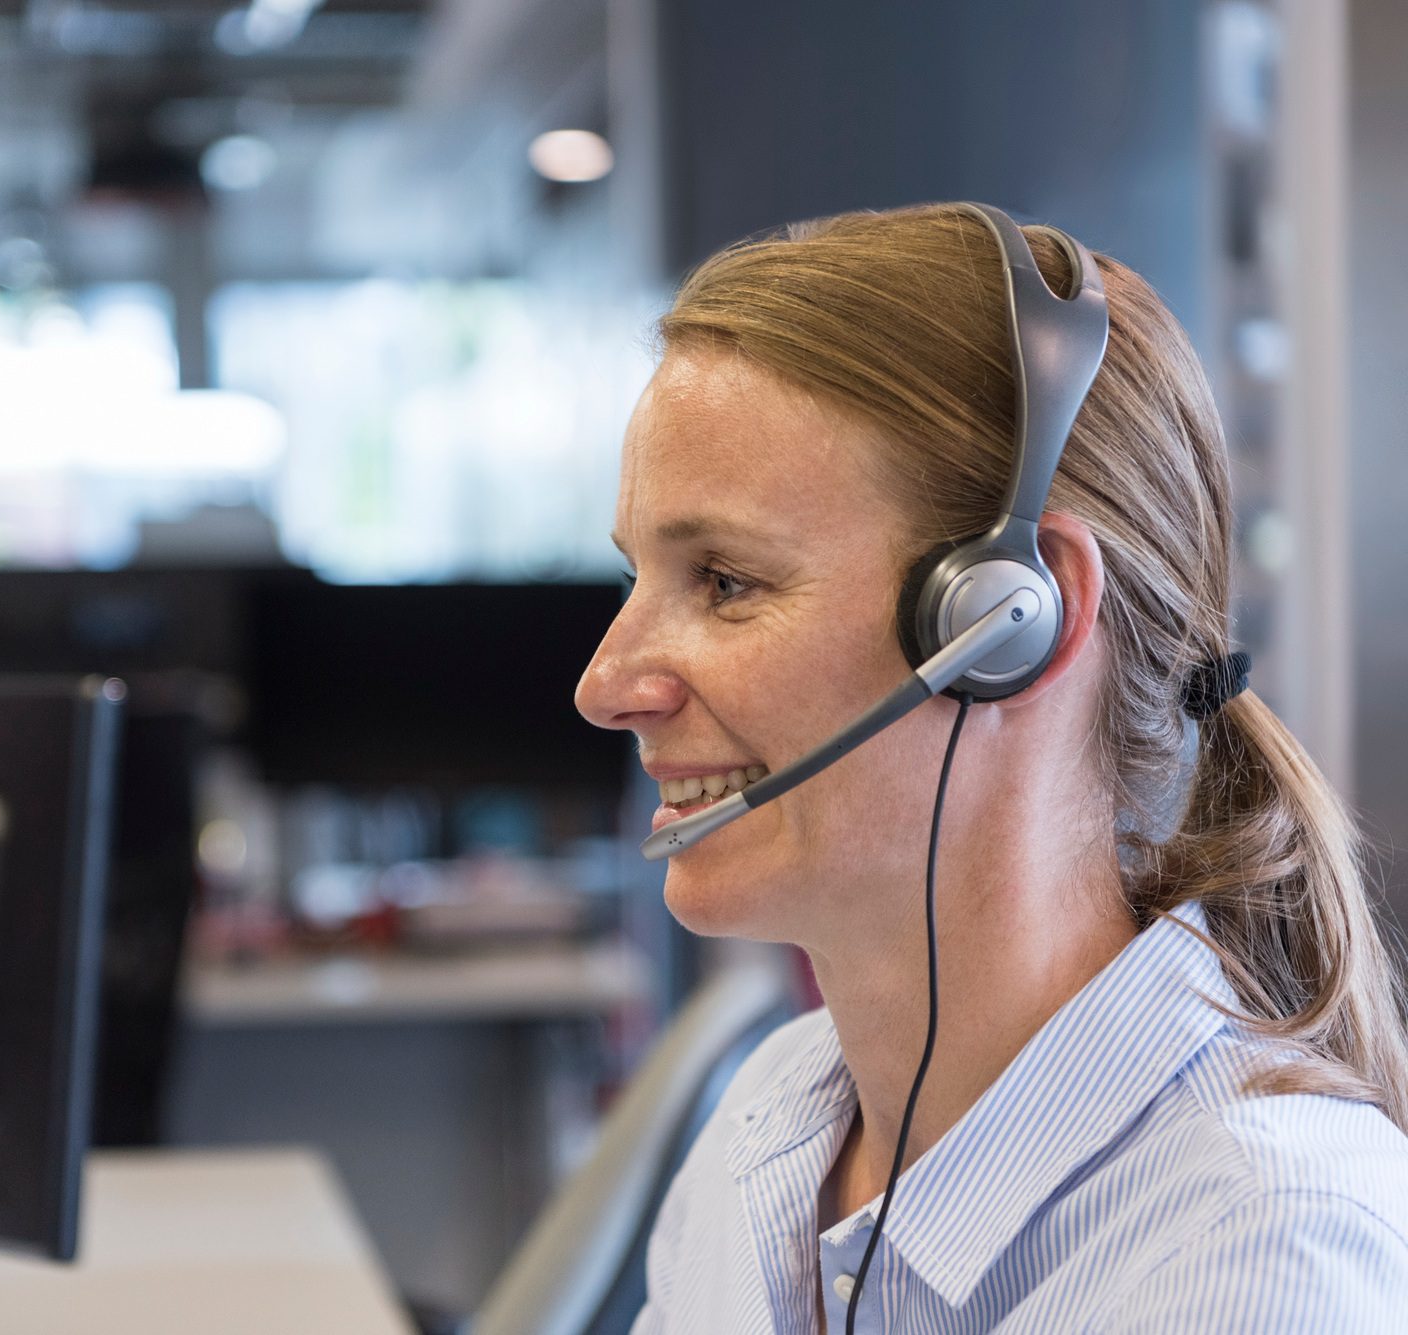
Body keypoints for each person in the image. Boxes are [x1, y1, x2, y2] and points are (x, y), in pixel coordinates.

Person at [574, 202, 1408, 1332]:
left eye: (725, 581)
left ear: (1011, 621)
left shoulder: (1260, 1255)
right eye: (636, 576)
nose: (607, 683)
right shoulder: (764, 1132)